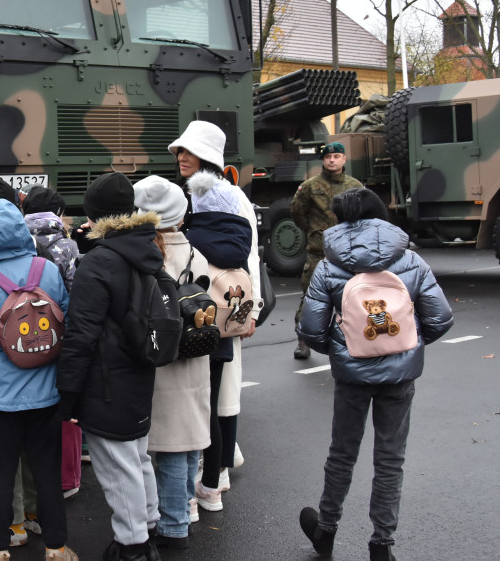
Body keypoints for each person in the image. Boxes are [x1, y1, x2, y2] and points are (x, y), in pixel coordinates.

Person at [296, 188, 453, 561]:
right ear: (381, 217)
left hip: (352, 378)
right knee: (390, 458)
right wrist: (406, 345)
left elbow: (312, 331)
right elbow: (440, 318)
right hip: (400, 378)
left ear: (340, 219)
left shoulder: (329, 265)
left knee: (342, 453)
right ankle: (382, 544)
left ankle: (326, 531)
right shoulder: (410, 260)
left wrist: (348, 348)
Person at [0, 199, 78, 561]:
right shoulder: (47, 270)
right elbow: (66, 322)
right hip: (47, 391)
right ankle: (56, 546)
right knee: (46, 472)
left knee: (0, 474)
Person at [57, 172, 162, 561]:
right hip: (139, 371)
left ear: (94, 214)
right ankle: (148, 528)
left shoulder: (98, 263)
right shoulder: (145, 248)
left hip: (105, 381)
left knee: (118, 468)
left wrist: (67, 394)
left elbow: (81, 334)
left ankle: (132, 546)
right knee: (136, 456)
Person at [168, 119, 262, 510]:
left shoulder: (227, 196)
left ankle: (217, 470)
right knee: (214, 393)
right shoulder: (199, 193)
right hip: (210, 310)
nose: (181, 158)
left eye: (189, 151)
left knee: (217, 395)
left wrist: (249, 309)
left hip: (223, 307)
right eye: (179, 151)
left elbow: (248, 259)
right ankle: (218, 466)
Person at [134, 175, 211, 548]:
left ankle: (174, 523)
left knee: (167, 446)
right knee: (189, 437)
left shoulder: (149, 256)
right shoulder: (196, 252)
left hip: (162, 359)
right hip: (195, 357)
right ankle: (188, 506)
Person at [182, 169, 254, 513]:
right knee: (213, 412)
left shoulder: (192, 239)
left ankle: (189, 494)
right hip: (225, 333)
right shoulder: (239, 238)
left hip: (196, 333)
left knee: (193, 410)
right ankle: (214, 484)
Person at [19, 185, 81, 498]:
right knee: (62, 404)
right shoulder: (66, 246)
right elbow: (75, 291)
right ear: (57, 213)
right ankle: (65, 477)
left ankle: (32, 475)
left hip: (23, 334)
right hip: (60, 332)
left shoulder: (16, 241)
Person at [290, 141, 363, 359]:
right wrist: (314, 233)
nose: (332, 160)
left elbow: (364, 215)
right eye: (328, 156)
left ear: (344, 159)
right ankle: (303, 341)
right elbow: (298, 213)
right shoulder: (310, 186)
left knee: (349, 299)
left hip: (347, 254)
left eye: (336, 156)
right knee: (311, 298)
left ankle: (350, 341)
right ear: (323, 160)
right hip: (318, 253)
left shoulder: (355, 186)